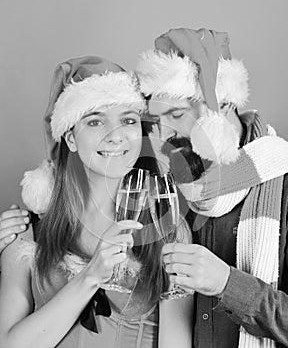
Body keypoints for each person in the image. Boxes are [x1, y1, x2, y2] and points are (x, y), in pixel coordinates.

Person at [0, 56, 193, 348]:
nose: (115, 136)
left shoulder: (167, 227)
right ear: (71, 139)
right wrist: (91, 276)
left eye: (128, 120)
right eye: (95, 121)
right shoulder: (28, 232)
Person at [136, 28, 288, 348]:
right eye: (156, 119)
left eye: (176, 114)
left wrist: (228, 284)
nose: (164, 132)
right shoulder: (168, 183)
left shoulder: (283, 182)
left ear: (223, 106)